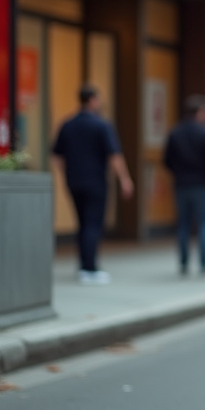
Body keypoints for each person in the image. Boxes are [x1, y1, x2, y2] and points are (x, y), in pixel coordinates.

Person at [51, 84, 134, 285]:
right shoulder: (101, 125)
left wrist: (65, 175)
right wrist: (124, 179)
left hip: (74, 180)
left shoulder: (67, 124)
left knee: (82, 223)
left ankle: (83, 265)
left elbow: (57, 156)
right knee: (93, 223)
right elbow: (114, 155)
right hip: (96, 180)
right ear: (93, 100)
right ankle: (90, 268)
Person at [162, 95, 205, 276]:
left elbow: (167, 160)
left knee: (184, 224)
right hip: (202, 183)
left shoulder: (175, 132)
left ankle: (184, 263)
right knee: (204, 223)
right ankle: (204, 264)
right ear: (201, 112)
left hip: (181, 183)